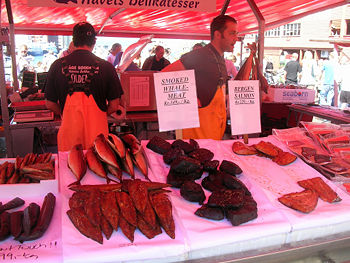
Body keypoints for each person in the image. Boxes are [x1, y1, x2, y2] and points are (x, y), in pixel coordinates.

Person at [44, 22, 124, 151]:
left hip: (70, 139)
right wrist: (100, 114)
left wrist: (65, 113)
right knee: (97, 169)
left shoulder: (57, 65)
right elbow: (114, 105)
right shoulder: (106, 67)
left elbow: (49, 103)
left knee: (73, 169)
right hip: (98, 139)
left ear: (74, 41)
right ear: (94, 42)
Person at [162, 15, 238, 140]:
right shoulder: (200, 55)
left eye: (236, 34)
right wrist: (189, 98)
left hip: (214, 132)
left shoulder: (220, 59)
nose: (236, 38)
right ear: (218, 35)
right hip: (197, 136)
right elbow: (164, 74)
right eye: (232, 33)